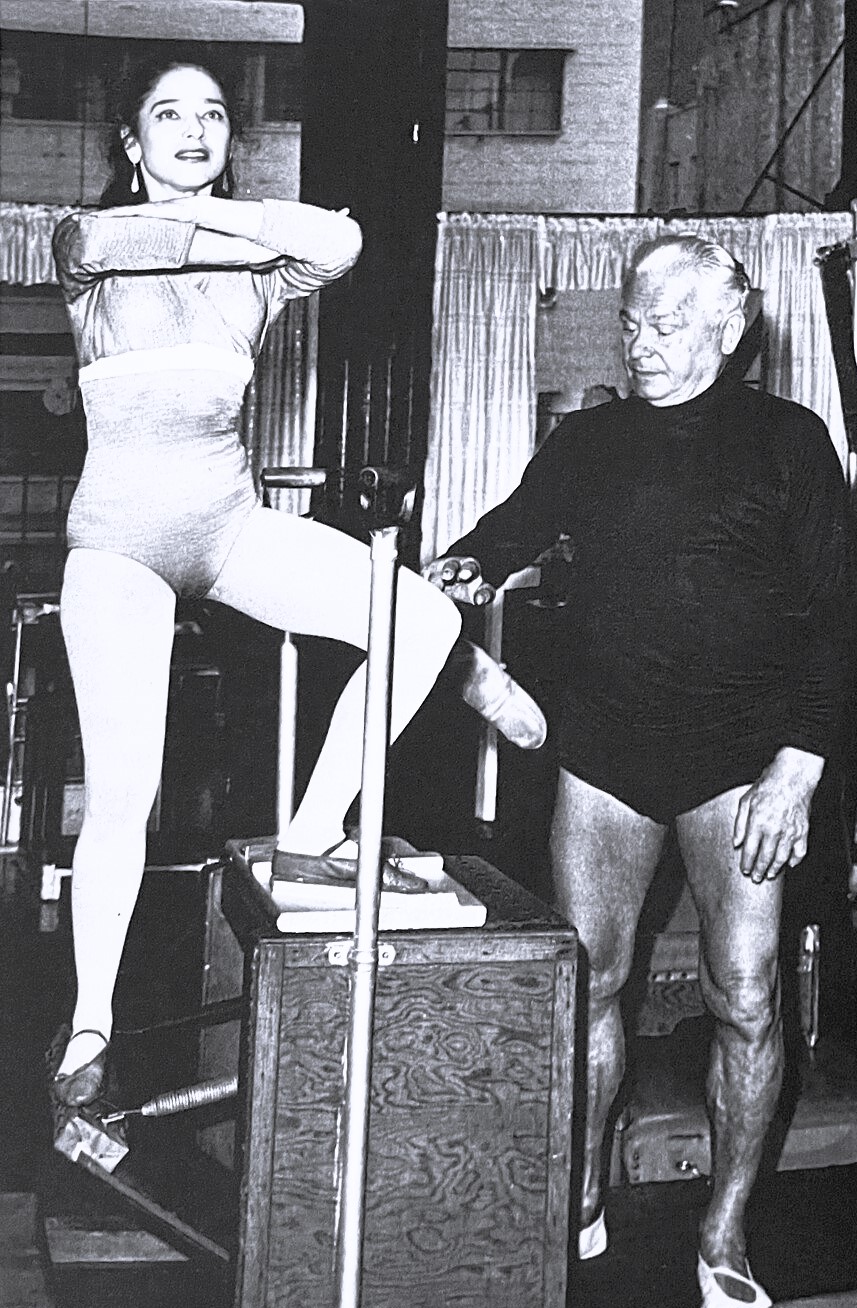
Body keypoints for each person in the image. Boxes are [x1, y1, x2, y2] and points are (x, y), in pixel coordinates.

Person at [48, 58, 545, 1111]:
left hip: (229, 530)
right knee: (125, 791)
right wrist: (235, 221)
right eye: (168, 115)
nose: (195, 130)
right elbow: (112, 237)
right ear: (129, 143)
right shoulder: (87, 248)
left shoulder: (260, 275)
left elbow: (344, 242)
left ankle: (315, 831)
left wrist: (233, 220)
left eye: (215, 114)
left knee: (419, 617)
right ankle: (91, 1019)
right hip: (118, 550)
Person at [425, 234, 851, 1308]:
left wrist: (798, 768)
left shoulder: (790, 443)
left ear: (730, 328)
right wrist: (463, 564)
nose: (641, 344)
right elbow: (515, 528)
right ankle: (580, 1190)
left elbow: (842, 619)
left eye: (666, 325)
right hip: (609, 749)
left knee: (745, 997)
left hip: (742, 760)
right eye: (630, 323)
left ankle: (723, 1230)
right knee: (591, 983)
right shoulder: (592, 439)